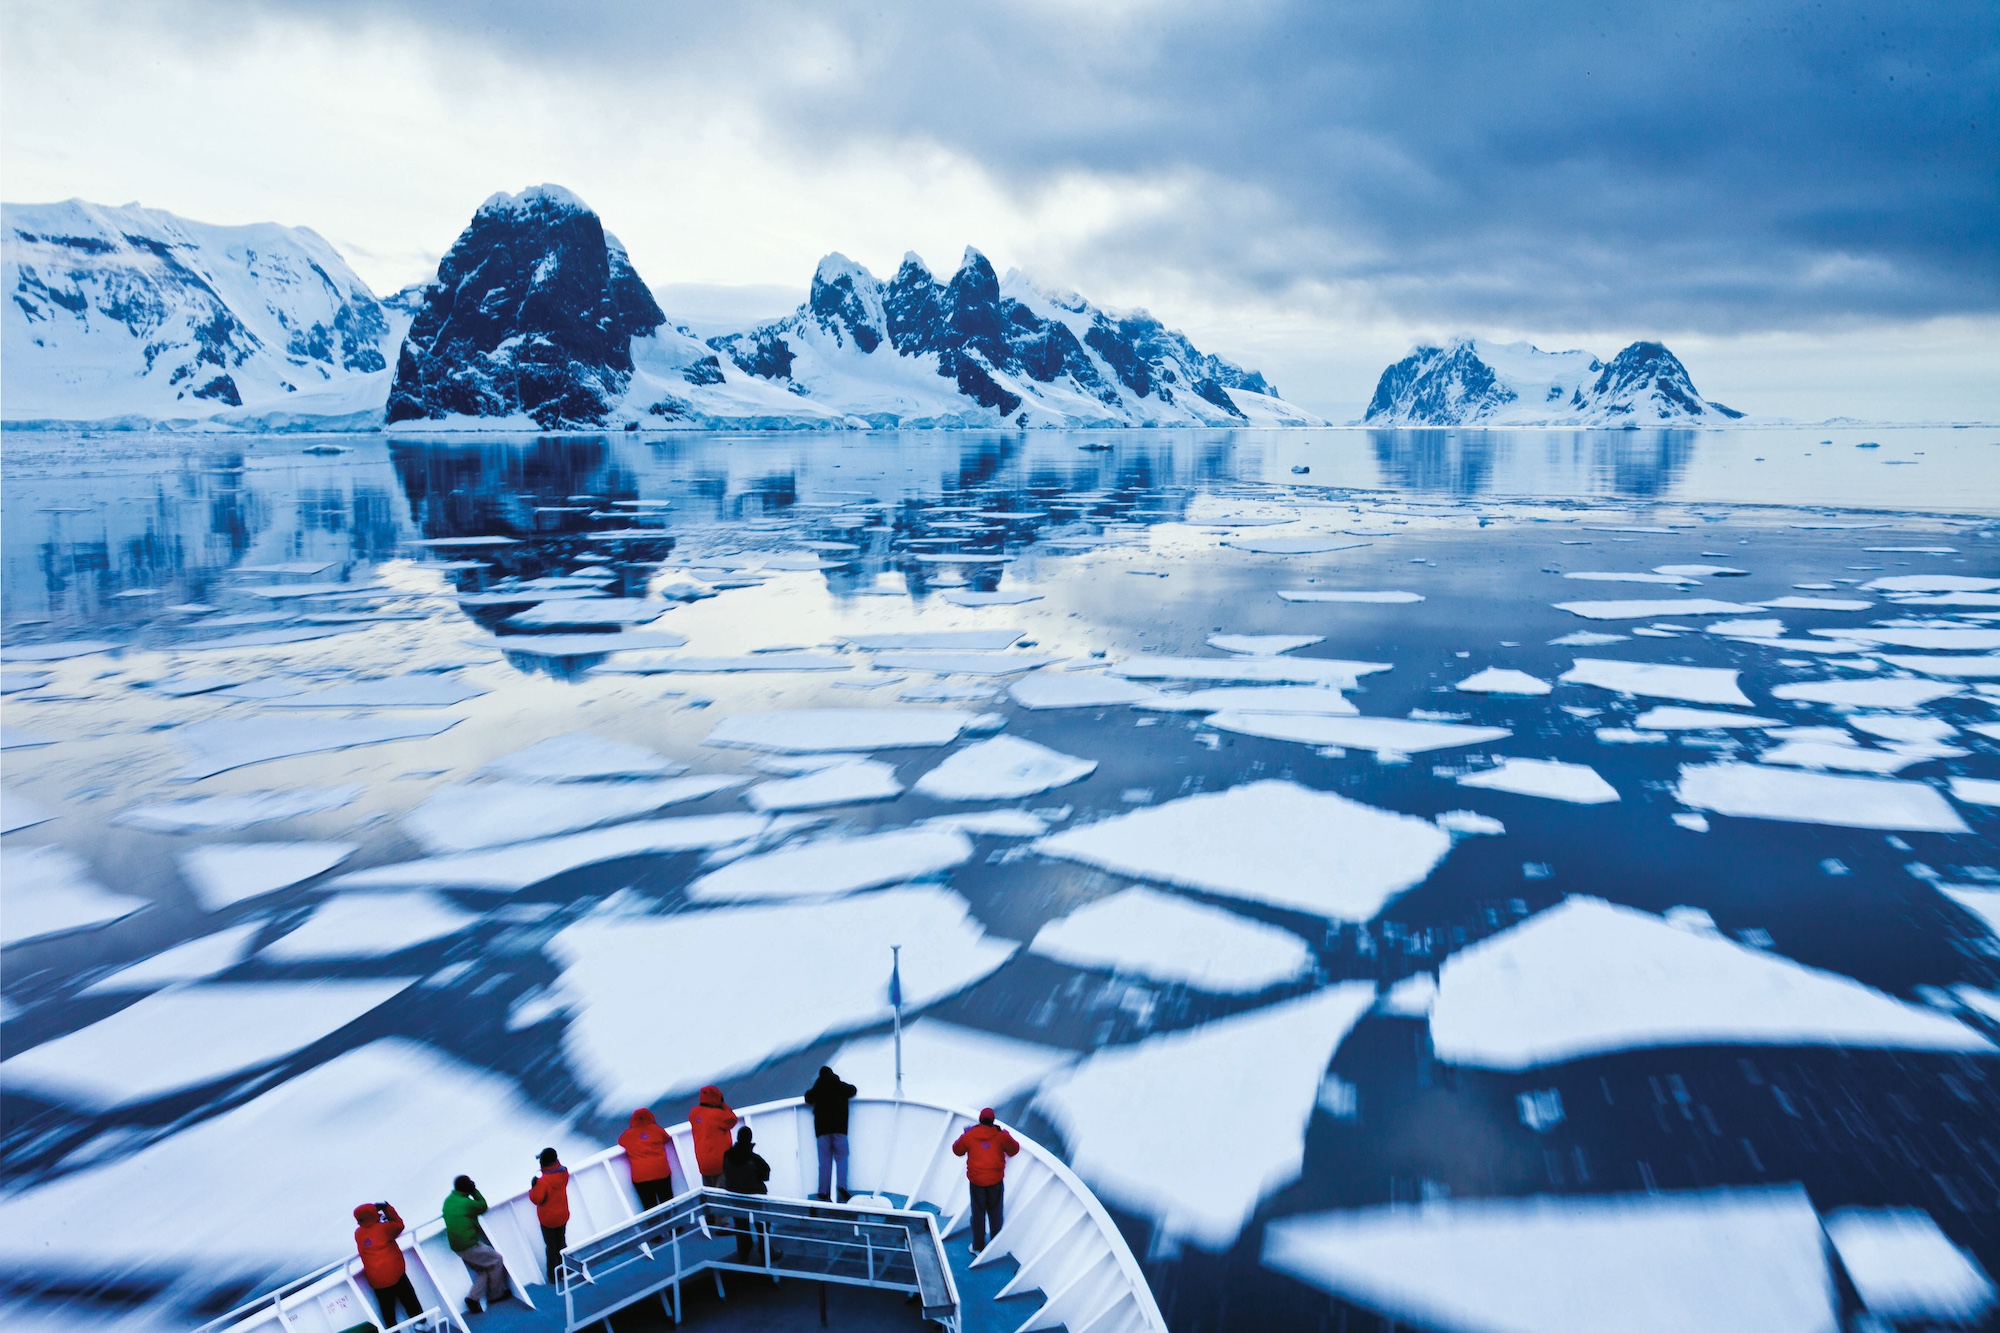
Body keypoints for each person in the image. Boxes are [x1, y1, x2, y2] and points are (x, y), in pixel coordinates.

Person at [951, 1109, 1019, 1254]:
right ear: (993, 1121)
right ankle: (993, 1247)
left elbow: (957, 1150)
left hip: (976, 1183)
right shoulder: (1000, 1136)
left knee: (978, 1214)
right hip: (995, 1182)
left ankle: (977, 1247)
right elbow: (1014, 1150)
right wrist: (1006, 1135)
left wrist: (964, 1135)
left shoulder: (969, 1136)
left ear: (980, 1120)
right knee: (995, 1214)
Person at [442, 1175, 509, 1315]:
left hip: (457, 1246)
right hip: (469, 1244)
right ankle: (496, 1295)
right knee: (496, 1259)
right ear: (467, 1188)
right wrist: (474, 1191)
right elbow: (482, 1206)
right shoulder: (467, 1203)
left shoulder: (448, 1200)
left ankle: (473, 1298)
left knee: (483, 1269)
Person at [352, 1201, 421, 1327]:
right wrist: (387, 1208)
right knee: (409, 1299)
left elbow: (370, 1230)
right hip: (395, 1273)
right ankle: (421, 1324)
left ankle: (393, 1329)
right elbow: (399, 1225)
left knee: (387, 1309)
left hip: (376, 1280)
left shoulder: (358, 1234)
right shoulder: (385, 1229)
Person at [803, 1065, 857, 1201]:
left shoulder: (818, 1088)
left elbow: (808, 1098)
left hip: (822, 1131)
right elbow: (853, 1090)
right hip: (840, 1130)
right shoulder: (840, 1086)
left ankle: (823, 1191)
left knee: (824, 1161)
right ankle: (842, 1186)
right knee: (842, 1158)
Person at [720, 1125, 772, 1263]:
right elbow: (766, 1174)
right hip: (755, 1198)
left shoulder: (727, 1156)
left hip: (735, 1198)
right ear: (749, 1140)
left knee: (741, 1226)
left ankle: (744, 1253)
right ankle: (766, 1252)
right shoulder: (754, 1159)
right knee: (762, 1225)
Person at [618, 1106, 675, 1210]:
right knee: (668, 1201)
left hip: (641, 1177)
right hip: (661, 1172)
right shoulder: (657, 1130)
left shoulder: (627, 1135)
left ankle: (656, 1225)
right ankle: (676, 1225)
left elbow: (621, 1142)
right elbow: (665, 1138)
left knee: (649, 1206)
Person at [528, 1148, 571, 1287]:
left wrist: (533, 1186)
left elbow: (537, 1199)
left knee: (551, 1246)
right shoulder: (563, 1172)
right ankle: (567, 1269)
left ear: (542, 1162)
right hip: (563, 1214)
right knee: (562, 1243)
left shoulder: (543, 1181)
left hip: (548, 1219)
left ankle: (553, 1275)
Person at [687, 1086, 738, 1187]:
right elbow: (732, 1119)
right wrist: (722, 1105)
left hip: (703, 1164)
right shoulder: (718, 1115)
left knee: (710, 1195)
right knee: (723, 1195)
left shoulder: (694, 1113)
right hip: (719, 1163)